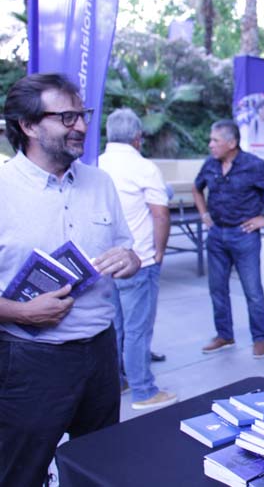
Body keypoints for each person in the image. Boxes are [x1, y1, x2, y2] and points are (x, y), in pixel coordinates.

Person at [0, 73, 140, 486]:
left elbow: (128, 251)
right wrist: (21, 313)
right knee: (21, 472)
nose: (80, 126)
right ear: (28, 125)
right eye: (66, 117)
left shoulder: (101, 182)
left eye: (82, 114)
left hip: (101, 353)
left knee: (99, 467)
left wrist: (129, 259)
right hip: (29, 361)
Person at [98, 108, 177, 410]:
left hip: (106, 262)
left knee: (116, 327)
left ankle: (120, 380)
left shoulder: (94, 165)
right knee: (138, 330)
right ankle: (144, 390)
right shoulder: (144, 167)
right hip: (139, 261)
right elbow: (160, 214)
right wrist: (159, 252)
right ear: (137, 137)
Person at [192, 120, 264, 358]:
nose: (210, 145)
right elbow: (196, 188)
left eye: (215, 140)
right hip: (217, 234)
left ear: (231, 143)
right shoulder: (210, 164)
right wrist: (204, 214)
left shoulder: (253, 165)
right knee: (217, 289)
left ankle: (260, 339)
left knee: (252, 290)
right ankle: (224, 335)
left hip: (244, 235)